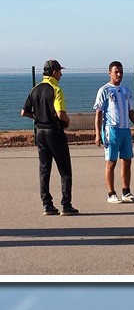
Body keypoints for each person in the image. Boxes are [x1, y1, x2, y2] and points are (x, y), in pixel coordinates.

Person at [20, 60, 79, 216]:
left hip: (40, 131)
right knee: (65, 169)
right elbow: (60, 113)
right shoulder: (56, 89)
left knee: (44, 169)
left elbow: (23, 112)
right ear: (53, 72)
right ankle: (66, 205)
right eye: (59, 71)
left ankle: (47, 204)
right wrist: (67, 121)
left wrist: (37, 117)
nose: (61, 74)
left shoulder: (35, 89)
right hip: (54, 132)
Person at [94, 61, 134, 204]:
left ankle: (126, 191)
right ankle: (111, 193)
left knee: (127, 160)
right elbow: (98, 114)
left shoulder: (126, 91)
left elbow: (131, 112)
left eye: (121, 72)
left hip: (125, 130)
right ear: (109, 72)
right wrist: (98, 134)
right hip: (111, 130)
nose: (119, 74)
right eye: (116, 71)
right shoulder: (104, 90)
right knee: (111, 162)